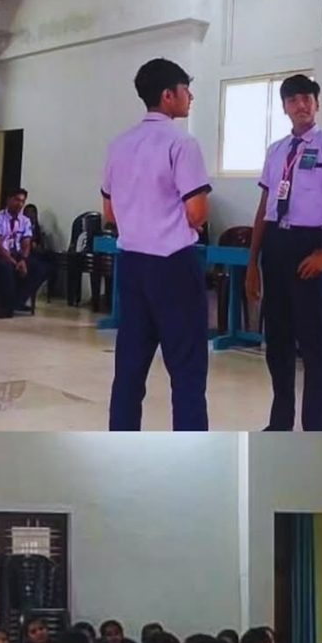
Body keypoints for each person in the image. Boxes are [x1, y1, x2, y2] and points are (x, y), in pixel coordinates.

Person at [102, 58, 211, 431]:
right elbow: (197, 212)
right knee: (187, 372)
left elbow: (110, 214)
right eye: (185, 90)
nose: (190, 96)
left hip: (132, 265)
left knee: (130, 369)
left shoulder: (119, 145)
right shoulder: (182, 142)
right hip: (173, 265)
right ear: (168, 96)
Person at [245, 75, 322, 431]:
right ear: (284, 108)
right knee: (277, 341)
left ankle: (314, 430)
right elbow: (265, 204)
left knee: (315, 345)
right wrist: (252, 262)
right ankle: (279, 423)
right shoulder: (276, 150)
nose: (301, 105)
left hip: (312, 245)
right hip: (276, 245)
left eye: (307, 98)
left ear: (317, 103)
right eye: (293, 100)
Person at [0, 189, 47, 318]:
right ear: (8, 200)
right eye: (16, 200)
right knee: (6, 268)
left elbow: (26, 243)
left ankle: (15, 303)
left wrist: (23, 260)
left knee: (40, 269)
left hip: (18, 254)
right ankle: (5, 306)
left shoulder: (25, 221)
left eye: (22, 201)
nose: (19, 204)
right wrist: (12, 261)